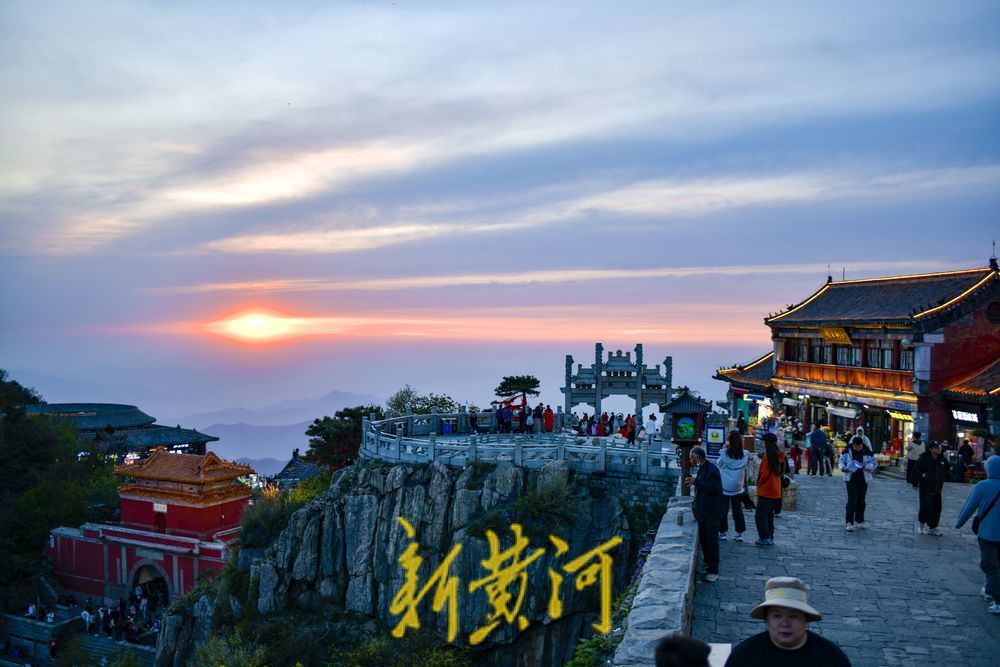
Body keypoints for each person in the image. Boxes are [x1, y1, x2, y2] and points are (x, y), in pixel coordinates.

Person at [724, 576, 852, 666]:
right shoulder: (744, 656)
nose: (784, 623)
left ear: (805, 619)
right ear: (767, 620)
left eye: (793, 616)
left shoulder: (832, 658)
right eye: (776, 616)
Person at [955, 454, 1000, 614]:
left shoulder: (983, 485)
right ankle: (989, 590)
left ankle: (998, 601)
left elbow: (969, 507)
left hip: (988, 534)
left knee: (990, 565)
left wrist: (959, 523)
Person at [686, 446, 726, 582]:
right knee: (704, 539)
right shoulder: (703, 468)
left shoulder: (712, 470)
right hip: (703, 512)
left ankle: (713, 570)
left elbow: (714, 489)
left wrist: (696, 481)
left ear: (697, 457)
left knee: (711, 541)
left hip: (712, 512)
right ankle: (707, 563)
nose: (690, 460)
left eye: (691, 457)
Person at [839, 435, 877, 531]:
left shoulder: (868, 452)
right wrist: (843, 468)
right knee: (852, 500)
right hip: (850, 479)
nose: (857, 448)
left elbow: (874, 464)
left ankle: (859, 520)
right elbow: (841, 461)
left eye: (859, 446)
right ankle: (849, 522)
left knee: (861, 500)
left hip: (863, 479)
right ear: (853, 445)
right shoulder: (847, 451)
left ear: (862, 445)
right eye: (856, 447)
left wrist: (865, 466)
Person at [911, 440, 949, 535]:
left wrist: (946, 476)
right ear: (930, 449)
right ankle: (922, 525)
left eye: (939, 447)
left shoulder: (942, 459)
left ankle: (933, 528)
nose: (939, 449)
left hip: (937, 486)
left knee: (937, 507)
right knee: (925, 506)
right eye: (936, 448)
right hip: (926, 486)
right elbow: (916, 470)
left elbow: (947, 470)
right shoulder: (924, 458)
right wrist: (915, 483)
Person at [718, 430, 750, 542]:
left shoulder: (725, 453)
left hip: (725, 486)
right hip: (738, 487)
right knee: (738, 511)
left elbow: (719, 464)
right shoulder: (744, 455)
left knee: (723, 510)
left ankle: (722, 532)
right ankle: (739, 533)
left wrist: (724, 448)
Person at [754, 433, 785, 546]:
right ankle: (770, 537)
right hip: (775, 491)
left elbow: (763, 475)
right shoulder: (779, 456)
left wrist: (759, 484)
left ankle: (765, 537)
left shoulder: (768, 458)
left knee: (760, 516)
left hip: (766, 490)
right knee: (769, 516)